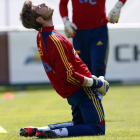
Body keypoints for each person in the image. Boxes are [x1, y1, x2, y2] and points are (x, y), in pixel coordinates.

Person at [19, 0, 109, 138]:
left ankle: (40, 129)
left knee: (79, 124)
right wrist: (96, 83)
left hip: (73, 92)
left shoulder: (42, 36)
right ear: (39, 19)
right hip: (82, 89)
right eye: (39, 7)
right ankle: (55, 133)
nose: (42, 3)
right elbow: (69, 75)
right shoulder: (53, 39)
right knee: (97, 128)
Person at [59, 0, 127, 99]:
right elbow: (63, 3)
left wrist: (118, 6)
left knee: (98, 65)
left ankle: (98, 96)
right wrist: (66, 21)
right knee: (83, 69)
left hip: (99, 29)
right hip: (79, 31)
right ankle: (88, 99)